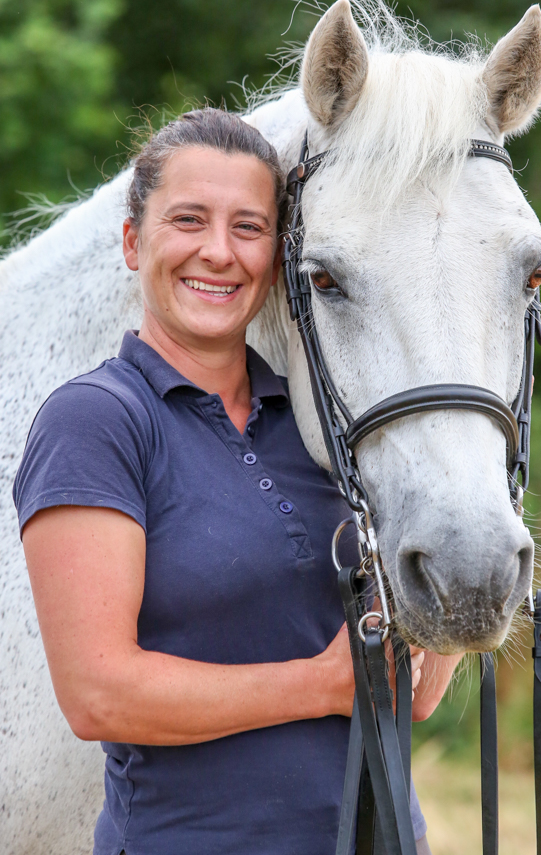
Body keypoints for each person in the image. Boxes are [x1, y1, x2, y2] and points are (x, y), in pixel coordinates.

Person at [13, 109, 461, 855]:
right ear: (132, 242)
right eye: (188, 220)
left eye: (249, 228)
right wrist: (319, 686)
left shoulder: (326, 433)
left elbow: (409, 698)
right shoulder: (95, 422)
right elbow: (98, 694)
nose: (218, 252)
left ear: (279, 256)